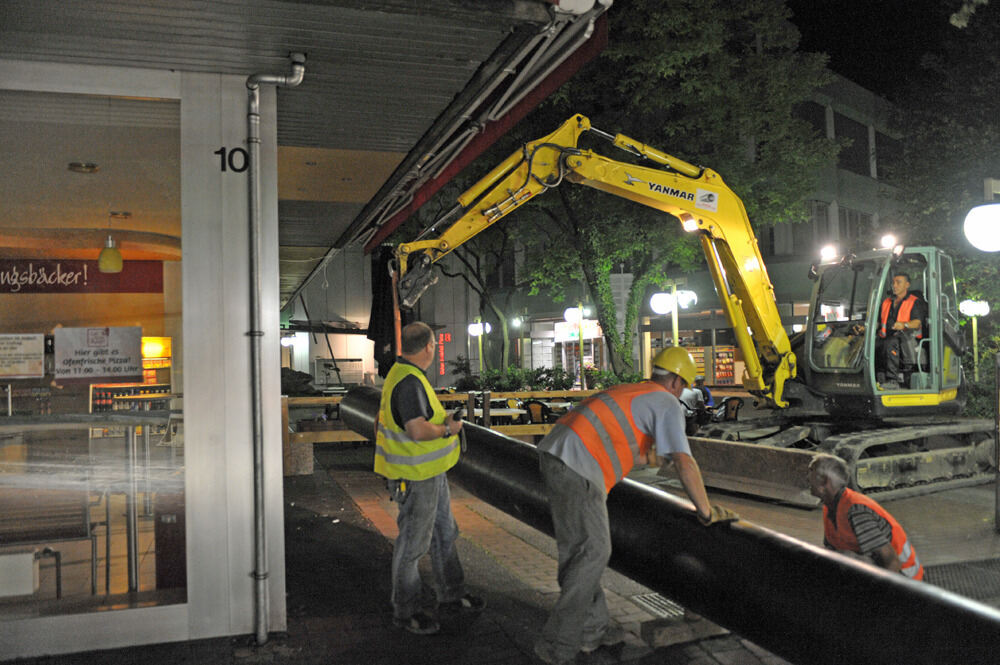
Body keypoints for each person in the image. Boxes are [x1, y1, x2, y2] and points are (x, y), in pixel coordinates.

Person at [533, 347, 739, 665]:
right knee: (593, 552)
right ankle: (557, 644)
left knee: (579, 553)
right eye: (684, 385)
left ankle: (593, 631)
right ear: (674, 380)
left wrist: (653, 455)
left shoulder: (633, 391)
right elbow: (685, 462)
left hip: (556, 454)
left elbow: (631, 446)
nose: (683, 392)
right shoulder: (666, 402)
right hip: (579, 466)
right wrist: (705, 511)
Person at [374, 322, 485, 635]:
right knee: (413, 544)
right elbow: (417, 429)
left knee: (444, 533)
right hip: (415, 477)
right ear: (428, 347)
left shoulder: (403, 375)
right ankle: (405, 611)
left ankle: (452, 593)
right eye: (435, 344)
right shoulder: (409, 382)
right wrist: (449, 429)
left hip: (426, 474)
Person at [807, 454, 923, 580]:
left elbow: (892, 562)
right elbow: (831, 549)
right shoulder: (830, 506)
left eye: (811, 471)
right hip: (882, 568)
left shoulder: (856, 510)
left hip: (906, 579)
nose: (807, 478)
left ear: (825, 481)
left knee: (847, 558)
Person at [852, 272, 927, 388]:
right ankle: (874, 377)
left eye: (898, 282)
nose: (895, 285)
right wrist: (865, 329)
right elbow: (878, 322)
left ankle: (893, 380)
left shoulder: (914, 301)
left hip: (905, 339)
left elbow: (917, 323)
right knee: (869, 344)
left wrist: (904, 325)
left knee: (890, 343)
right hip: (885, 336)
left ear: (907, 285)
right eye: (893, 283)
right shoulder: (886, 302)